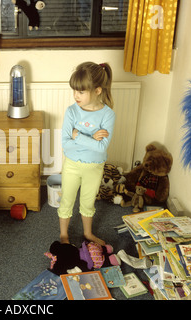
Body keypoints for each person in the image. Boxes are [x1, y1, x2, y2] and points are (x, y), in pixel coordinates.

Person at [58, 61, 115, 246]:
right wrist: (91, 138)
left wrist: (78, 135)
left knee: (88, 203)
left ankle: (88, 233)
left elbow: (101, 148)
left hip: (94, 167)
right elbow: (66, 144)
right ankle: (64, 235)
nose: (76, 96)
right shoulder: (72, 111)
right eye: (75, 91)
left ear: (97, 91)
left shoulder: (108, 115)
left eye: (81, 92)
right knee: (67, 201)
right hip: (72, 165)